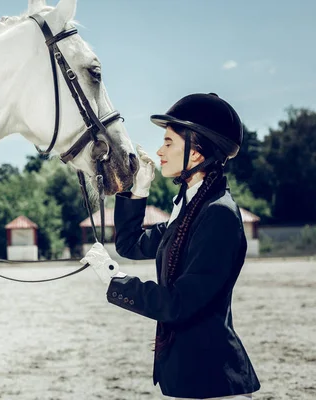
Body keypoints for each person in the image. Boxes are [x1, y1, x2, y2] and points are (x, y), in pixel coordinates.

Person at [81, 93, 261, 400]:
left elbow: (179, 303)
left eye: (168, 142)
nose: (159, 151)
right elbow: (130, 243)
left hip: (211, 378)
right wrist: (139, 192)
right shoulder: (191, 210)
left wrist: (114, 280)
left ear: (194, 154)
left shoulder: (217, 214)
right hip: (187, 375)